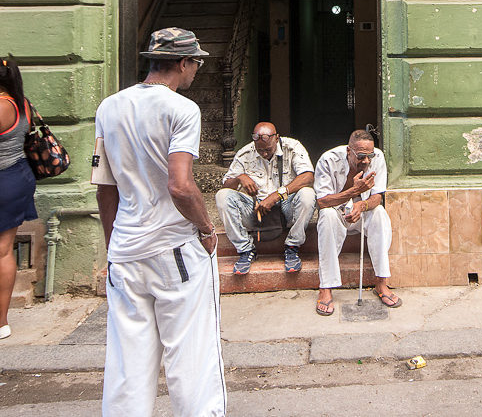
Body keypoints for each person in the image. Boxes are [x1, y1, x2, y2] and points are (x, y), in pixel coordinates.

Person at [93, 28, 226, 417]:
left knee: (127, 362)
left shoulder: (109, 107)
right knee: (192, 356)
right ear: (184, 64)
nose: (197, 71)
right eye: (196, 63)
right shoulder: (182, 110)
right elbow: (181, 186)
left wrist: (112, 247)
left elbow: (105, 189)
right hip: (174, 250)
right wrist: (206, 229)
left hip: (126, 249)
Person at [314, 129, 402, 316]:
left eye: (369, 156)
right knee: (326, 217)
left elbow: (377, 197)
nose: (367, 161)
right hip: (337, 214)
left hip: (362, 213)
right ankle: (326, 287)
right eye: (361, 156)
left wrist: (361, 205)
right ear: (349, 151)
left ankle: (381, 282)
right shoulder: (328, 160)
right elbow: (322, 202)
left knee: (379, 214)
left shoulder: (377, 157)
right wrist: (353, 191)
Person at [216, 122, 315, 274]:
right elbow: (227, 186)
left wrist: (277, 196)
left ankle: (292, 247)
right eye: (259, 150)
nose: (264, 153)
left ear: (277, 138)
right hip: (256, 211)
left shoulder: (292, 147)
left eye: (268, 149)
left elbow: (308, 177)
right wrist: (240, 177)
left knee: (308, 194)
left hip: (286, 206)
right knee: (222, 196)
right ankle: (245, 250)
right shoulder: (245, 153)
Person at [0, 59, 37, 340]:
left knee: (2, 251)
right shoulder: (21, 102)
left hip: (4, 179)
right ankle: (1, 322)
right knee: (4, 249)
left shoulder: (2, 106)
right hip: (17, 176)